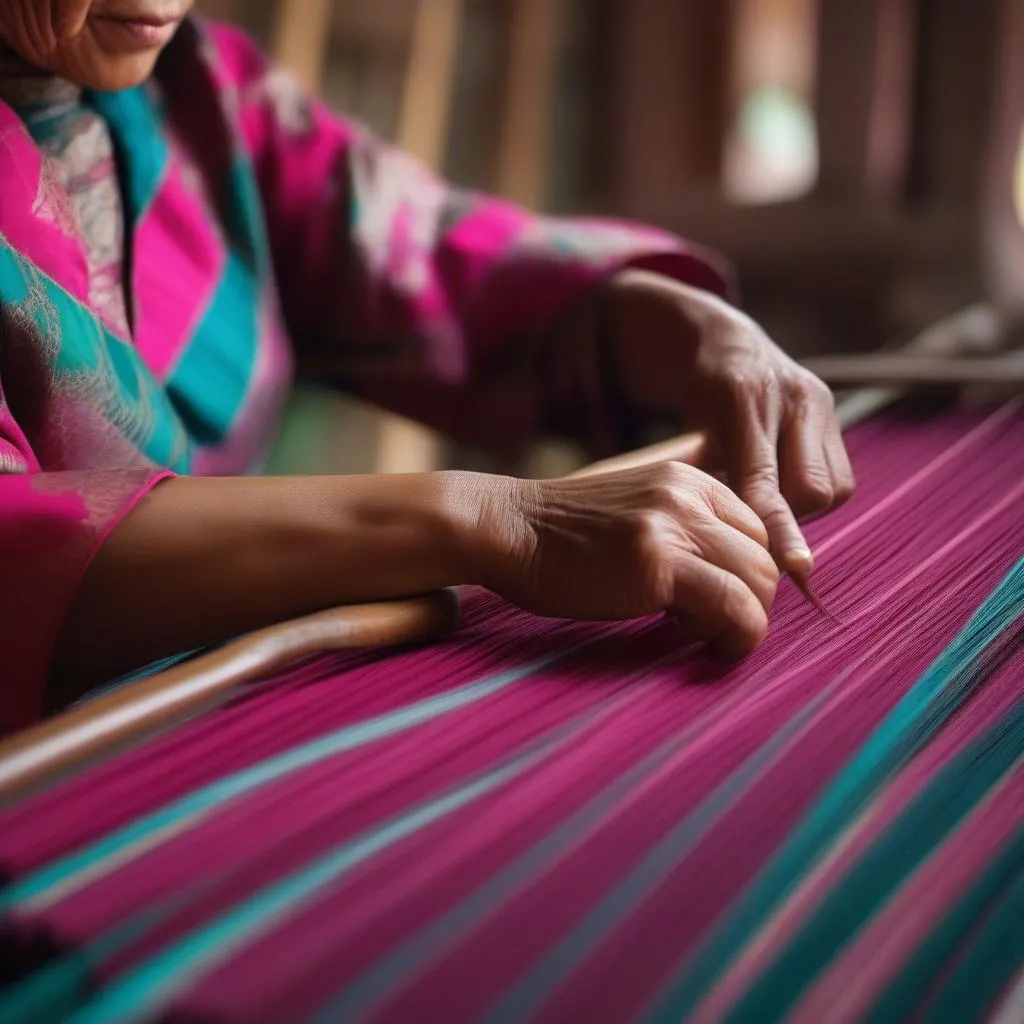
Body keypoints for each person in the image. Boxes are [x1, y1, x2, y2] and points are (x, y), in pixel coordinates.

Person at [0, 0, 853, 733]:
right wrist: (496, 522)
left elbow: (433, 258)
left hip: (226, 717)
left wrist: (705, 336)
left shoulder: (204, 98)